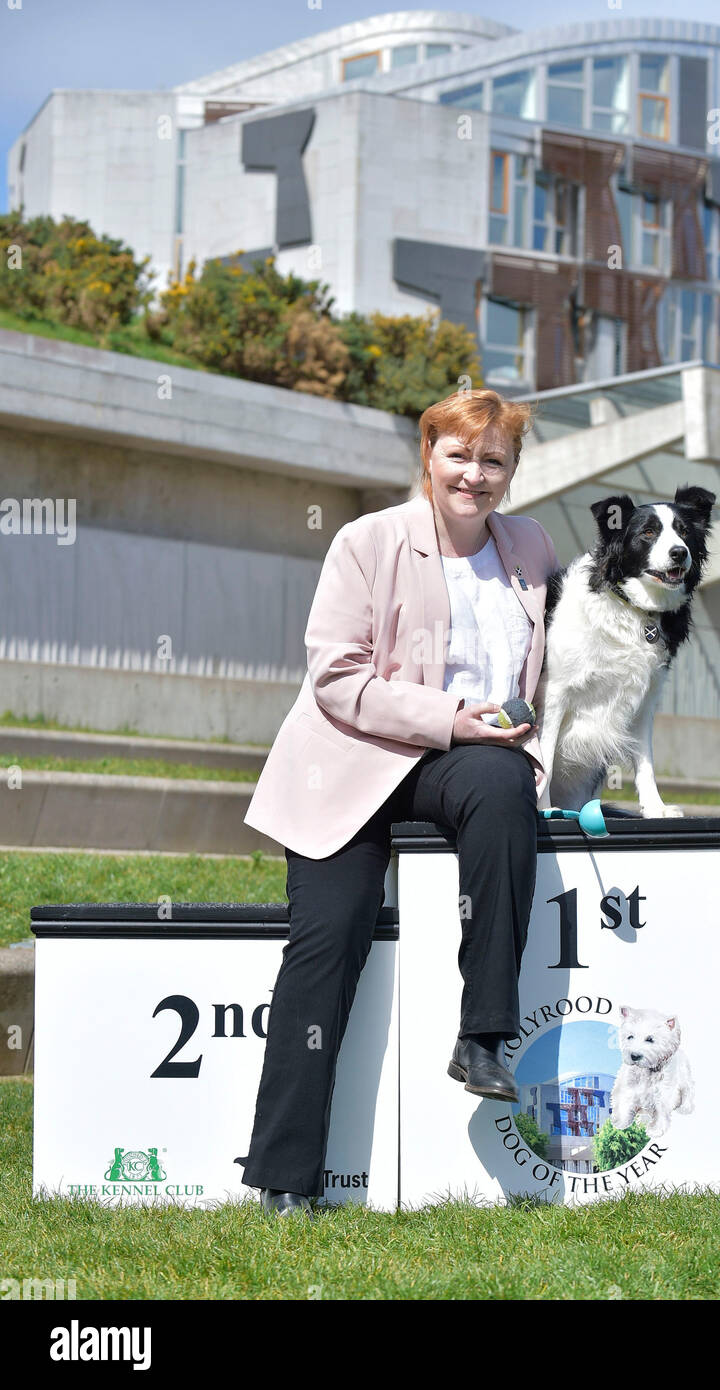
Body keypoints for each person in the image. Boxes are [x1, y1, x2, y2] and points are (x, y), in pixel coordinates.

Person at [235, 388, 560, 1217]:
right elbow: (337, 676)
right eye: (459, 455)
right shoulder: (368, 540)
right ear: (428, 457)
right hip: (351, 763)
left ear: (512, 472)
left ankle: (484, 1034)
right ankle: (283, 1178)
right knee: (326, 944)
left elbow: (556, 670)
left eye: (493, 461)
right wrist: (449, 718)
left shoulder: (529, 547)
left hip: (465, 762)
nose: (474, 475)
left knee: (501, 786)